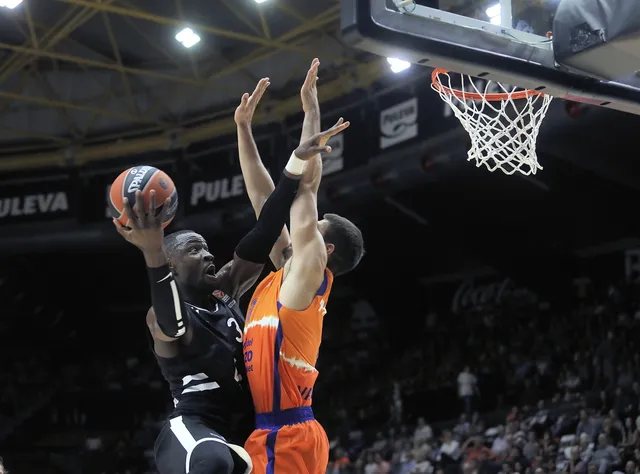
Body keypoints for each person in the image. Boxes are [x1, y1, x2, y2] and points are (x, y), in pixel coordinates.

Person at [112, 125, 337, 474]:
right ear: (170, 265)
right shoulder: (163, 316)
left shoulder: (225, 291)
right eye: (194, 250)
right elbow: (172, 323)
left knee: (232, 461)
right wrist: (152, 251)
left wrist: (295, 163)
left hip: (244, 433)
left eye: (205, 247)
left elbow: (265, 230)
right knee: (214, 461)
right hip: (195, 429)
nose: (207, 254)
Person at [237, 63, 365, 473]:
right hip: (275, 432)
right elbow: (266, 201)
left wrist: (312, 113)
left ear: (325, 250)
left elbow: (306, 188)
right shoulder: (288, 272)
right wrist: (243, 129)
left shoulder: (309, 274)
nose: (307, 225)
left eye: (316, 225)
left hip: (289, 436)